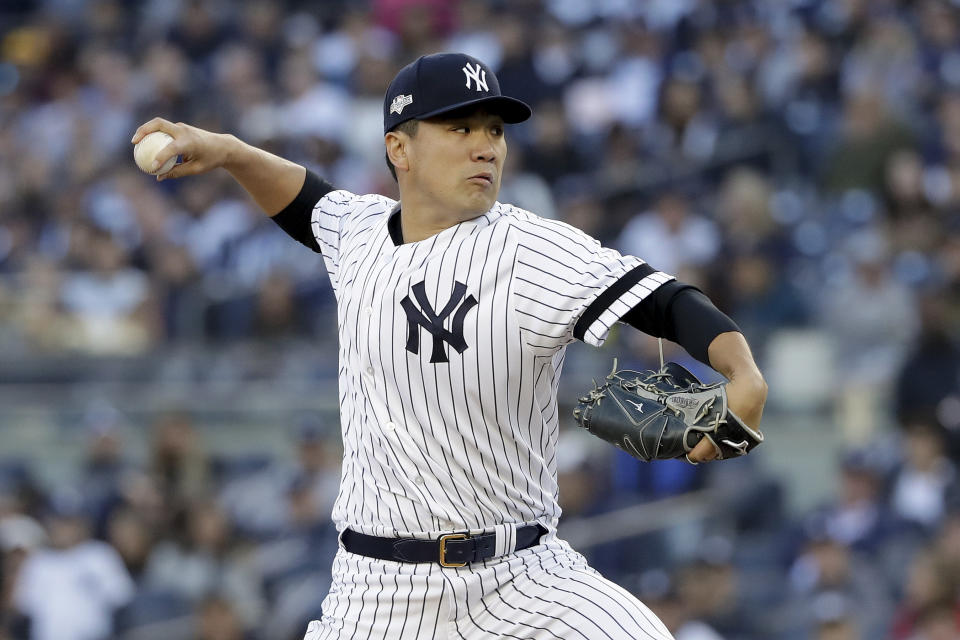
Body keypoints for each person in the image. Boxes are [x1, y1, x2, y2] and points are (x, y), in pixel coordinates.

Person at [131, 52, 767, 640]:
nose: (485, 146)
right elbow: (303, 201)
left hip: (524, 581)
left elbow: (664, 300)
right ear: (398, 149)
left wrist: (739, 368)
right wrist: (229, 152)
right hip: (376, 593)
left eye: (494, 129)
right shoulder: (358, 235)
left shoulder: (529, 249)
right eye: (459, 129)